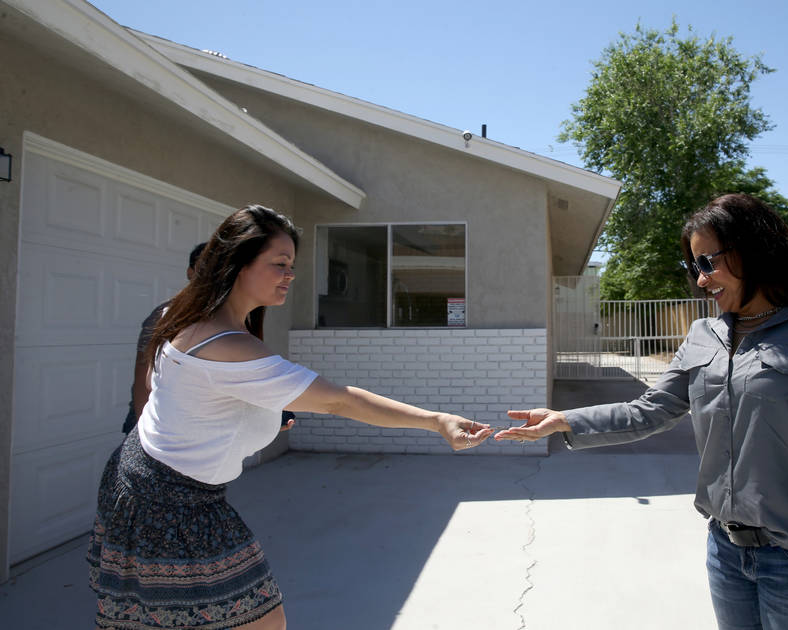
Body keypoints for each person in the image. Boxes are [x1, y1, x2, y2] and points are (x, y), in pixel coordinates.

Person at [496, 193, 788, 629]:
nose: (700, 280)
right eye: (694, 267)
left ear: (751, 251)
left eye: (708, 263)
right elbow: (650, 410)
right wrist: (566, 420)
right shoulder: (702, 336)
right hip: (727, 553)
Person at [88, 205, 494, 630]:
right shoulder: (229, 344)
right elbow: (340, 401)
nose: (290, 274)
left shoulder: (188, 315)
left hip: (141, 480)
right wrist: (436, 421)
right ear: (236, 264)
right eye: (279, 264)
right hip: (169, 504)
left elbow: (180, 397)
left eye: (292, 265)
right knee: (262, 622)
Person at [122, 242, 207, 434]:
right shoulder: (165, 315)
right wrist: (143, 433)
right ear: (190, 272)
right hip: (155, 427)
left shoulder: (223, 320)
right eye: (205, 268)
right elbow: (143, 376)